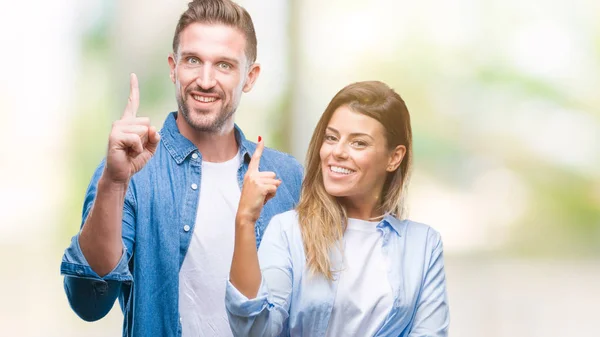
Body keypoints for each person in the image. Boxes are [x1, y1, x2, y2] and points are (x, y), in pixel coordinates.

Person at [60, 0, 303, 336]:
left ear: (250, 77)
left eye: (224, 65)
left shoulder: (287, 176)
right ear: (173, 68)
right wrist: (114, 183)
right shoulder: (129, 171)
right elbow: (89, 303)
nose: (205, 80)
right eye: (193, 60)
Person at [227, 81, 450, 336]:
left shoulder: (423, 245)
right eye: (331, 138)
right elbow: (255, 332)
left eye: (359, 143)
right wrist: (244, 220)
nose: (337, 152)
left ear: (394, 157)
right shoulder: (289, 231)